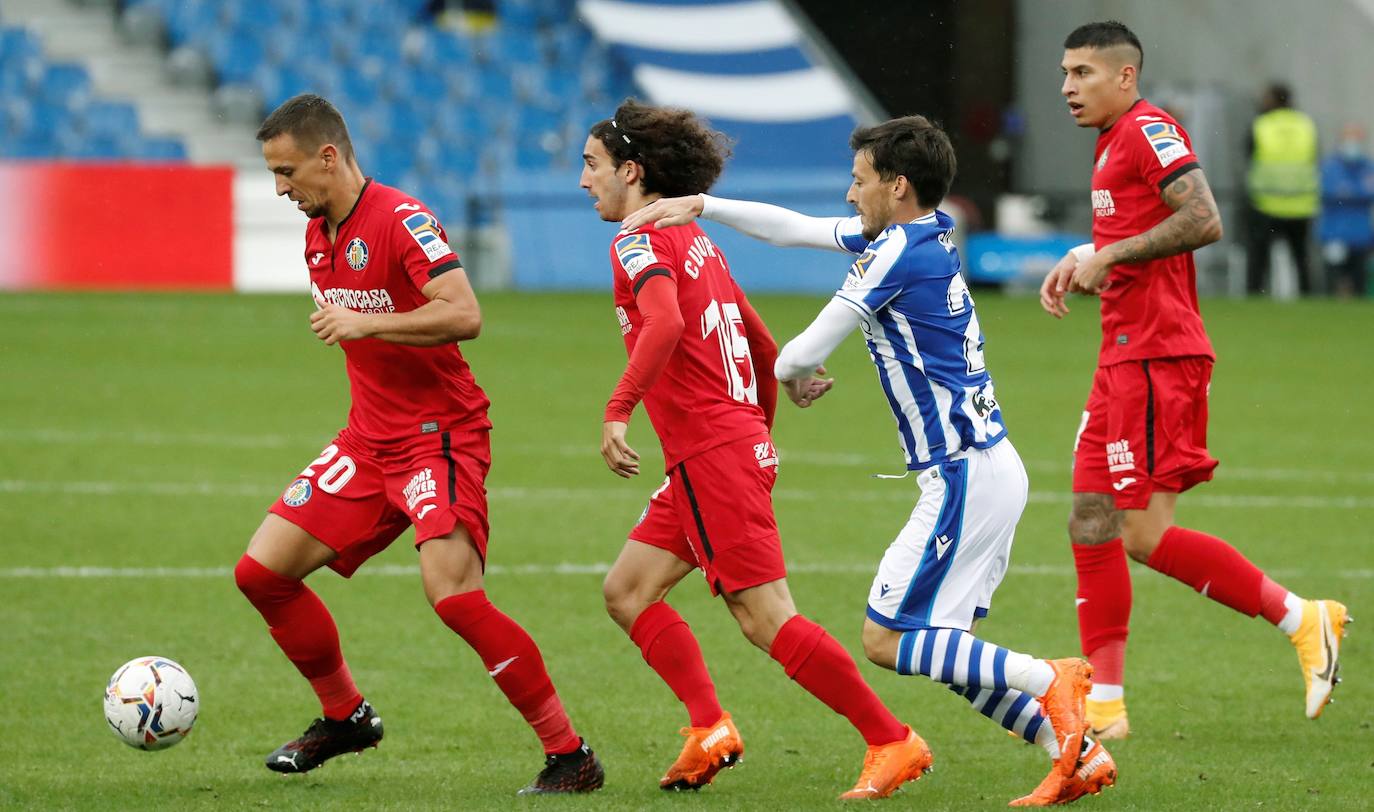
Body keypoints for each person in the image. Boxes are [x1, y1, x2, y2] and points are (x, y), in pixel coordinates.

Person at [624, 116, 1113, 807]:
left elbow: (797, 353)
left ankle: (1048, 678)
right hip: (989, 467)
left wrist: (797, 369)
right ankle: (1080, 756)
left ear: (898, 185)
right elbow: (796, 228)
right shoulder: (922, 233)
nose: (850, 196)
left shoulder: (892, 254)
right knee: (944, 653)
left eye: (859, 181)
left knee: (887, 639)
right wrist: (704, 206)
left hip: (962, 474)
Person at [236, 94, 603, 794]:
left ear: (329, 156)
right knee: (262, 574)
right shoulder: (319, 234)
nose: (281, 189)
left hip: (440, 440)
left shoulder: (403, 220)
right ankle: (345, 717)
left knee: (456, 597)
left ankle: (571, 756)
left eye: (287, 172)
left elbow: (465, 313)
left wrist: (368, 325)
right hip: (368, 442)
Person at [580, 98, 930, 801]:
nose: (584, 182)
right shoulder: (696, 239)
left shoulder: (638, 241)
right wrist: (764, 422)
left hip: (714, 451)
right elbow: (754, 332)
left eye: (592, 166)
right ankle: (708, 727)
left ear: (631, 170)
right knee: (627, 590)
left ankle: (892, 740)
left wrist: (619, 410)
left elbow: (665, 321)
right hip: (723, 449)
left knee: (765, 616)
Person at [1044, 21, 1347, 740]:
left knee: (1143, 534)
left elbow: (1204, 218)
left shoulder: (1149, 129)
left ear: (1124, 76)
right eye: (1063, 72)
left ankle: (1303, 618)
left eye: (1083, 73)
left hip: (1157, 356)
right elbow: (1138, 230)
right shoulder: (1112, 141)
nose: (1066, 87)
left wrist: (1110, 255)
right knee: (1090, 516)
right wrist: (1089, 254)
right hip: (1121, 355)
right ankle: (1107, 705)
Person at [1246, 82, 1320, 295]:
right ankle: (1308, 298)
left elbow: (1249, 157)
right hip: (1301, 203)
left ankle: (1254, 297)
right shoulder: (1306, 124)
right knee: (1302, 258)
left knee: (1259, 258)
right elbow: (1314, 157)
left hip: (1266, 203)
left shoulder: (1261, 124)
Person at [1319, 123, 1374, 297]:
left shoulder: (1367, 166)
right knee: (1333, 279)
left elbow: (1368, 192)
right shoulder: (1329, 166)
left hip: (1361, 235)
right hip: (1334, 233)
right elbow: (1328, 191)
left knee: (1359, 280)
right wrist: (1357, 192)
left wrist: (1346, 192)